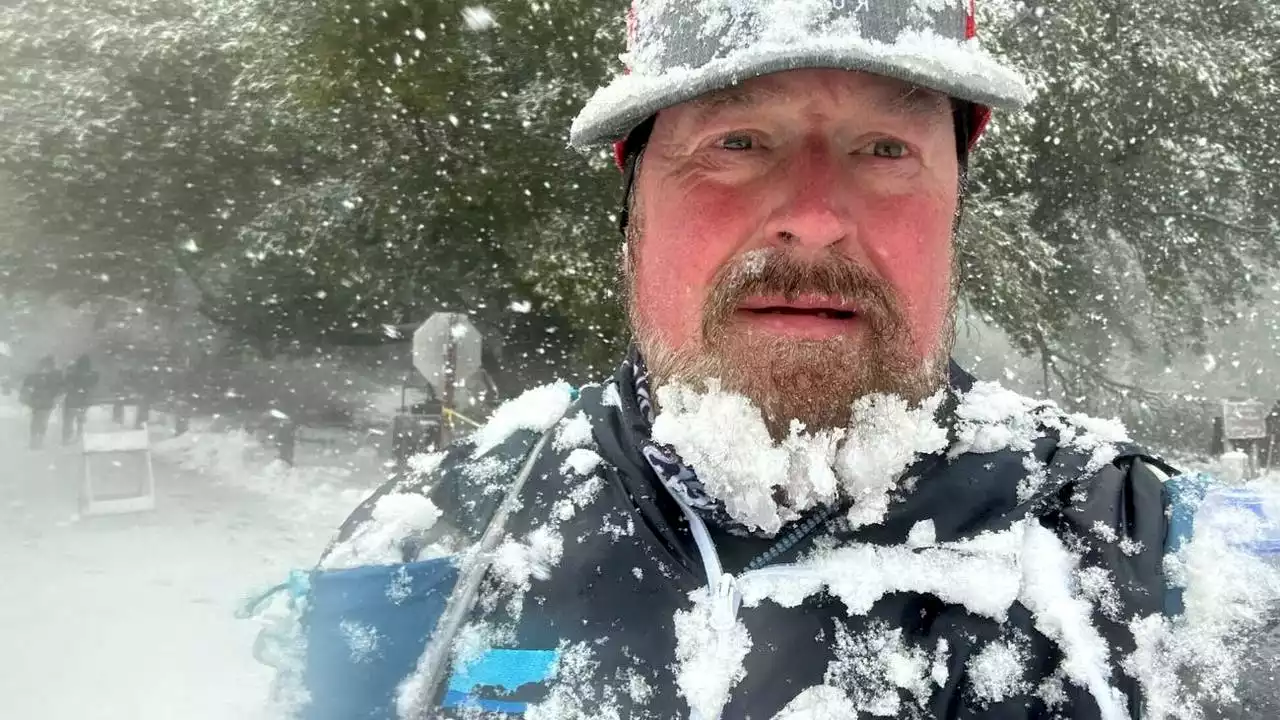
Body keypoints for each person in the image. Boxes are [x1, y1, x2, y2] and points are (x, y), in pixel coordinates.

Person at [284, 3, 1252, 719]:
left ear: (953, 201)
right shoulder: (429, 565)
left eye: (883, 147)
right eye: (736, 139)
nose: (816, 217)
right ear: (634, 204)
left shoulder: (1145, 568)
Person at [20, 356, 62, 449]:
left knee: (36, 420)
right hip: (46, 402)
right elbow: (58, 389)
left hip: (37, 402)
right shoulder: (54, 375)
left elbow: (26, 385)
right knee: (43, 421)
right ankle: (39, 440)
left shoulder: (36, 375)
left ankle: (34, 441)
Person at [61, 354, 98, 445]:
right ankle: (79, 435)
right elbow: (92, 386)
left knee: (68, 419)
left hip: (72, 399)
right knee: (80, 419)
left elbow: (66, 384)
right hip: (83, 400)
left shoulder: (72, 374)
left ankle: (67, 437)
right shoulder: (91, 374)